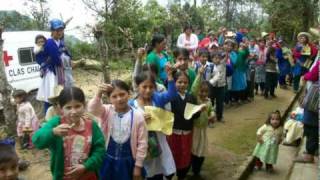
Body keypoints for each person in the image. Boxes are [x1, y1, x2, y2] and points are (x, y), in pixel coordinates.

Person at [32, 87, 105, 180]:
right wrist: (53, 132)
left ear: (84, 105)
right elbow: (37, 140)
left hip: (88, 176)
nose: (73, 112)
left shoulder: (91, 125)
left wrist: (86, 166)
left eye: (77, 106)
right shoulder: (56, 123)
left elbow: (100, 149)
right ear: (61, 108)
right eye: (68, 107)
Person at [87, 80, 148, 180]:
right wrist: (98, 94)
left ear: (129, 93)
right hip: (107, 161)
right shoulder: (106, 111)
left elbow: (142, 143)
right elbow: (92, 109)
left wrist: (138, 166)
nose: (119, 99)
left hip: (128, 162)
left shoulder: (138, 116)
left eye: (122, 94)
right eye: (114, 96)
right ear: (109, 99)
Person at [130, 66, 177, 180]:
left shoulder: (157, 98)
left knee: (160, 168)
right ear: (137, 87)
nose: (148, 90)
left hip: (160, 141)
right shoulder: (132, 105)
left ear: (155, 87)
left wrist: (170, 76)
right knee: (148, 170)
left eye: (151, 87)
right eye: (144, 86)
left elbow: (172, 95)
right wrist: (140, 120)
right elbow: (129, 125)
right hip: (144, 146)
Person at [167, 71, 202, 180]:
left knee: (185, 153)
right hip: (174, 132)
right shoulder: (171, 97)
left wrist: (199, 110)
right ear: (174, 82)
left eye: (185, 82)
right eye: (179, 82)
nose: (182, 84)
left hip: (187, 132)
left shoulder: (191, 97)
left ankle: (182, 174)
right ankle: (170, 174)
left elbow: (194, 115)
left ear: (189, 84)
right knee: (173, 153)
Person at [36, 19, 72, 113]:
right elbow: (55, 59)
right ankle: (49, 116)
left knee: (60, 94)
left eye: (61, 30)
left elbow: (68, 55)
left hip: (61, 72)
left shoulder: (61, 42)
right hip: (52, 73)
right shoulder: (49, 43)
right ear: (52, 31)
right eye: (57, 30)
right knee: (51, 95)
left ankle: (60, 114)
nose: (60, 32)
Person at [294, 59, 319, 163]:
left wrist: (305, 77)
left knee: (311, 125)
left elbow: (313, 75)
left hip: (316, 98)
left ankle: (310, 154)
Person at [191, 74, 215, 176]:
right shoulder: (196, 100)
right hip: (195, 129)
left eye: (206, 91)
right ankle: (194, 167)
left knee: (202, 148)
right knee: (193, 148)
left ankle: (197, 168)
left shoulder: (209, 102)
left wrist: (212, 115)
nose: (204, 93)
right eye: (201, 91)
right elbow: (193, 89)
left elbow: (211, 110)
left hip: (203, 130)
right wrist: (199, 75)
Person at [209, 51, 226, 122]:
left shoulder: (223, 64)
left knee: (220, 102)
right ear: (212, 59)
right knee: (210, 102)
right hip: (212, 87)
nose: (217, 60)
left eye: (219, 58)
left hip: (221, 86)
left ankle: (220, 117)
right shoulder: (210, 66)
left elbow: (226, 55)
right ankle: (210, 118)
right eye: (215, 58)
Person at [224, 39, 236, 105]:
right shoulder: (222, 53)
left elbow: (234, 62)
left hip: (229, 73)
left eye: (230, 46)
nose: (229, 47)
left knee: (229, 87)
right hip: (222, 73)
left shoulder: (233, 53)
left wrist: (229, 57)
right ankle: (224, 100)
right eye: (227, 45)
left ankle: (228, 100)